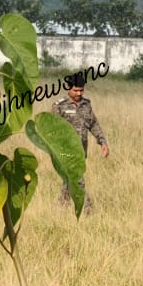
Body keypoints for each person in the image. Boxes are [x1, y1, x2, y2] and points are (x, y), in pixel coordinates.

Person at [52, 73, 109, 210]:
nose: (79, 93)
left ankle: (60, 208)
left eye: (81, 90)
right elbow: (52, 130)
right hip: (65, 151)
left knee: (69, 180)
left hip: (81, 151)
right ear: (68, 88)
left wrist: (102, 142)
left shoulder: (86, 104)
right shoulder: (59, 106)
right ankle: (88, 210)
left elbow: (93, 124)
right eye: (75, 90)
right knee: (77, 180)